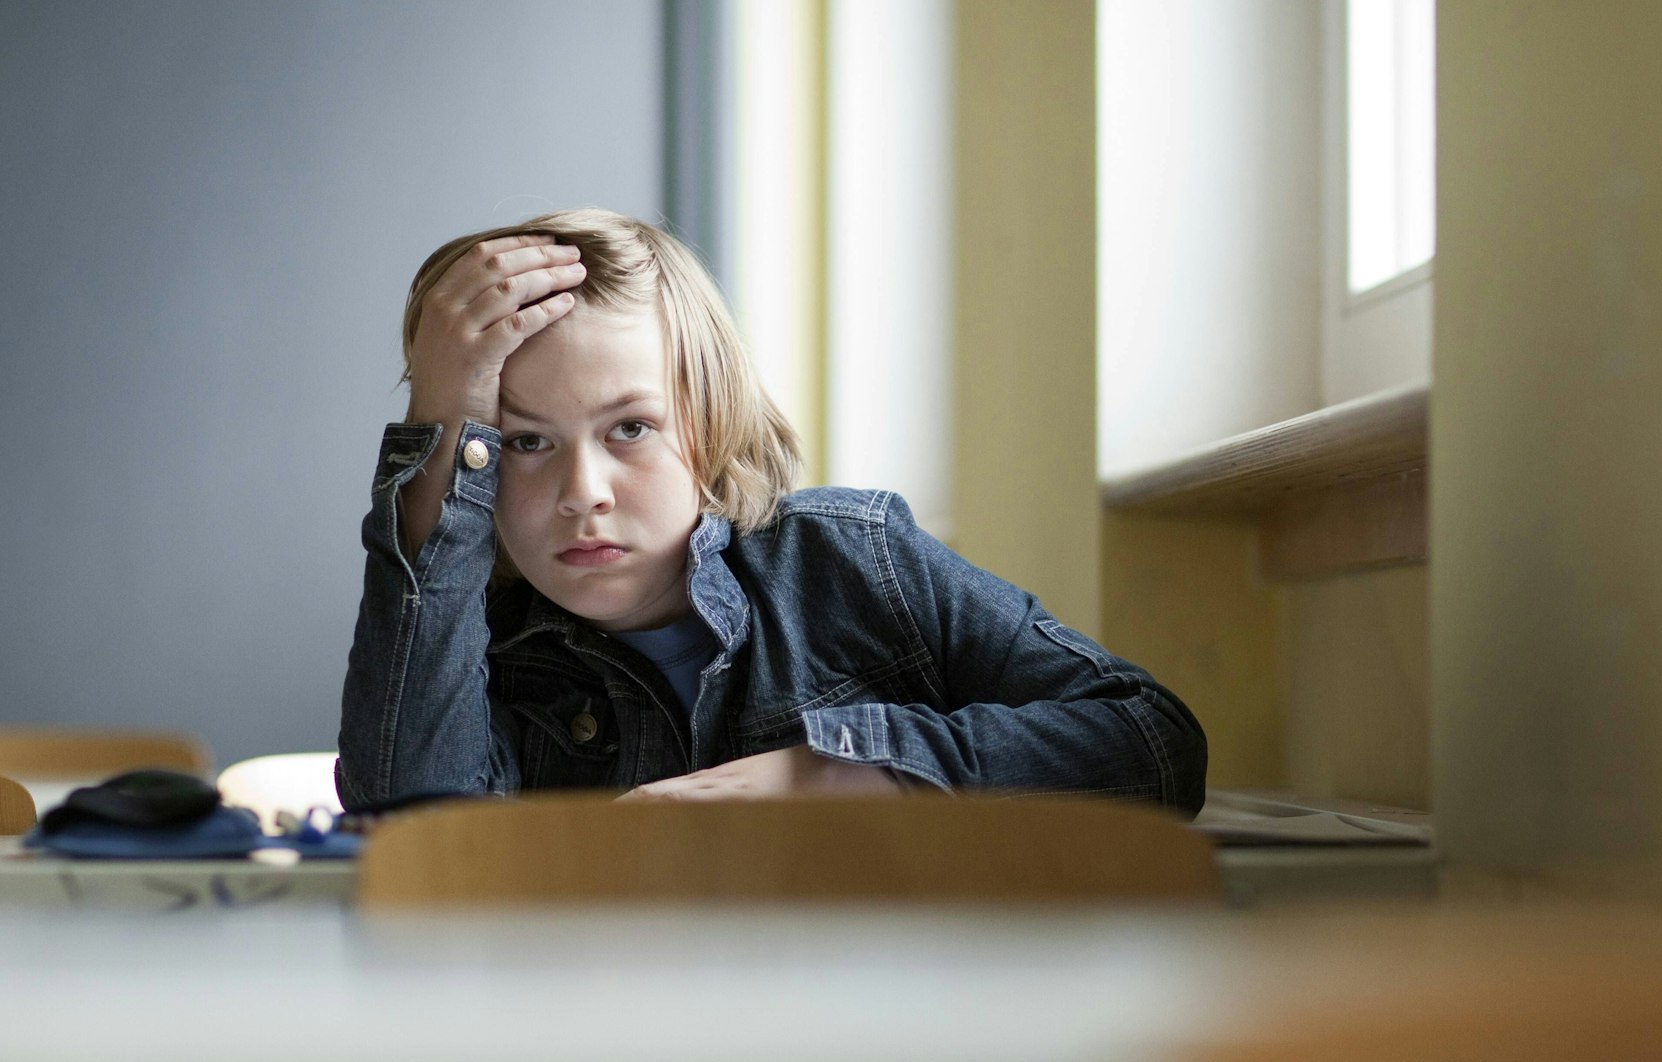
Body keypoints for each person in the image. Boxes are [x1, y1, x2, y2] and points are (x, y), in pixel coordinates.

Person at [337, 209, 1207, 815]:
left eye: (631, 427)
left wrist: (831, 774)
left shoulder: (853, 562)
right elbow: (416, 828)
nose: (584, 491)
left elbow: (1149, 740)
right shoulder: (470, 648)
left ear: (709, 422)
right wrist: (443, 421)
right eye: (524, 443)